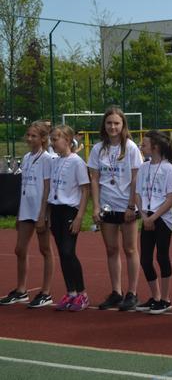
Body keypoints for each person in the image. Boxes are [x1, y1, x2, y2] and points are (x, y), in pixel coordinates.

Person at [88, 107, 143, 312]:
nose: (113, 127)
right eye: (109, 123)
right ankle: (116, 291)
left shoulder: (130, 147)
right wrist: (96, 206)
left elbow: (136, 178)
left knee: (130, 249)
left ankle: (132, 293)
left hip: (126, 205)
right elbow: (94, 179)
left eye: (116, 123)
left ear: (123, 125)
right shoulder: (97, 149)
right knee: (111, 249)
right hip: (107, 205)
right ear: (104, 125)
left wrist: (131, 205)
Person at [0, 121, 55, 308]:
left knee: (45, 249)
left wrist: (43, 214)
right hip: (26, 210)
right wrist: (19, 213)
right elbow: (24, 186)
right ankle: (21, 290)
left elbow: (47, 188)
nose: (29, 138)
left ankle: (46, 292)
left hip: (40, 211)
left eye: (34, 136)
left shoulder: (47, 159)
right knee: (20, 249)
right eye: (28, 135)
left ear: (43, 138)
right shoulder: (26, 158)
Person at [43, 124, 90, 311]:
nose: (52, 143)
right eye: (51, 139)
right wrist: (47, 214)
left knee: (68, 251)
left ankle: (82, 294)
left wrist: (79, 216)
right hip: (56, 210)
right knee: (62, 253)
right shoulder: (54, 162)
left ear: (68, 140)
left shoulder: (77, 162)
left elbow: (85, 190)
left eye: (55, 139)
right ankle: (71, 293)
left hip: (70, 211)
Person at [134, 131, 172, 314]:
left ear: (155, 147)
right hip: (146, 216)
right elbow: (138, 194)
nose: (141, 146)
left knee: (162, 256)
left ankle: (166, 299)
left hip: (162, 218)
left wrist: (153, 217)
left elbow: (171, 198)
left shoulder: (169, 169)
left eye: (144, 144)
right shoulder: (143, 167)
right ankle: (155, 296)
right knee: (145, 259)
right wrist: (144, 215)